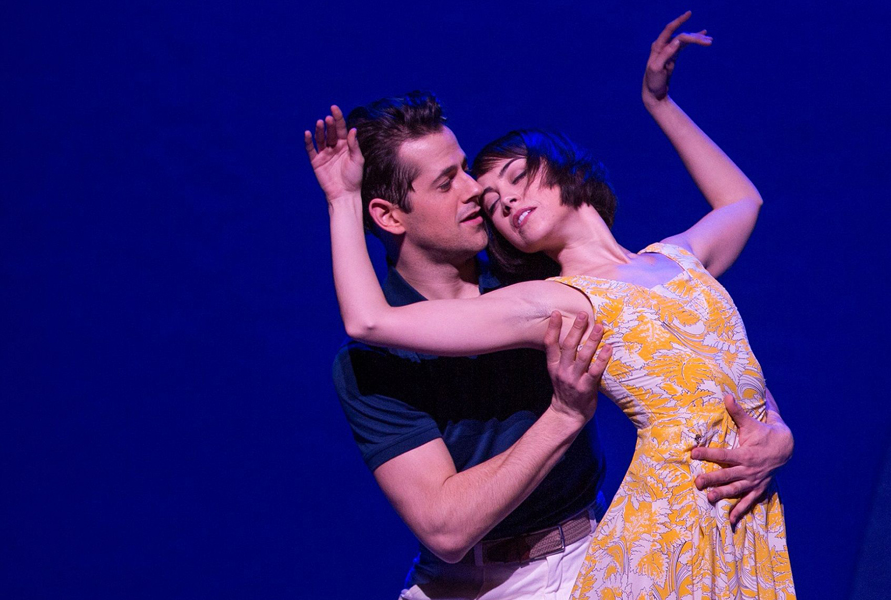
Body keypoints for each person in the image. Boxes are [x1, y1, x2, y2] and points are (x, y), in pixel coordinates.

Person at [306, 13, 794, 599]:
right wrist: (342, 199)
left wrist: (775, 430)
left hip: (599, 547)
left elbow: (703, 351)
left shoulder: (564, 274)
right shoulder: (535, 303)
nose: (481, 198)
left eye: (479, 175)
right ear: (387, 217)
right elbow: (445, 527)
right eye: (450, 183)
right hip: (478, 584)